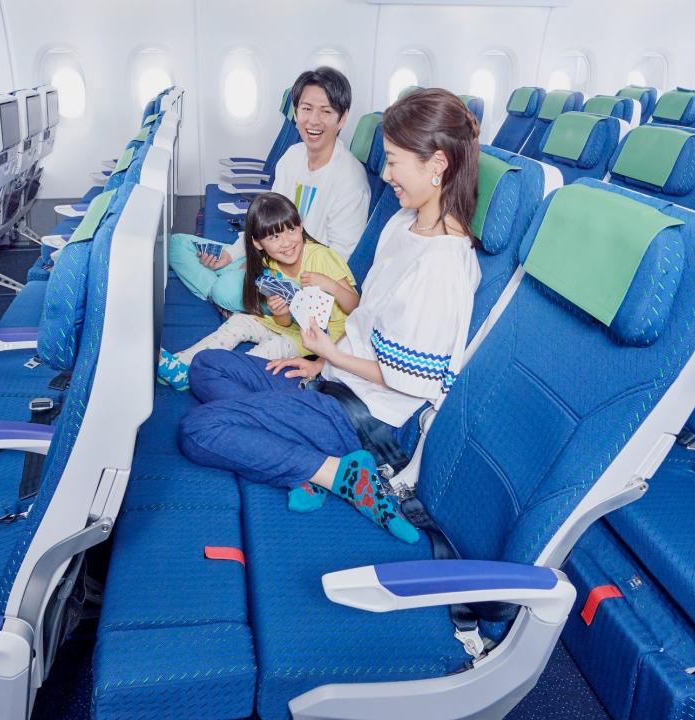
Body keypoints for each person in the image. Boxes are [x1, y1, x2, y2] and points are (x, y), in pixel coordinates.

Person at [177, 89, 482, 542]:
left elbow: (412, 382)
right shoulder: (404, 224)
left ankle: (340, 474)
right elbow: (365, 322)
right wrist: (321, 361)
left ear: (436, 165)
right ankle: (297, 454)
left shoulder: (441, 266)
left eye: (395, 161)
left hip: (366, 419)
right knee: (207, 366)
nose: (386, 173)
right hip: (332, 380)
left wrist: (327, 354)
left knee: (200, 430)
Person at [169, 66, 370, 313]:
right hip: (268, 254)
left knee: (228, 288)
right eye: (306, 109)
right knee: (177, 245)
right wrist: (233, 257)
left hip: (301, 280)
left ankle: (224, 295)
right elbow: (266, 223)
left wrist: (271, 270)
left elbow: (339, 261)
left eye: (326, 111)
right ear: (296, 113)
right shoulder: (293, 157)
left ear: (342, 118)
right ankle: (228, 295)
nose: (314, 120)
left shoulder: (349, 179)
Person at [157, 193, 359, 390]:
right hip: (289, 327)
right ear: (257, 243)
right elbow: (284, 322)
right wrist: (281, 313)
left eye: (291, 230)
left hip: (323, 337)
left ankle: (225, 373)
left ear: (301, 226)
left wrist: (330, 285)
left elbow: (356, 306)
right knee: (238, 321)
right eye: (274, 236)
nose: (287, 242)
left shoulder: (321, 257)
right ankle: (182, 365)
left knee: (272, 346)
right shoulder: (269, 263)